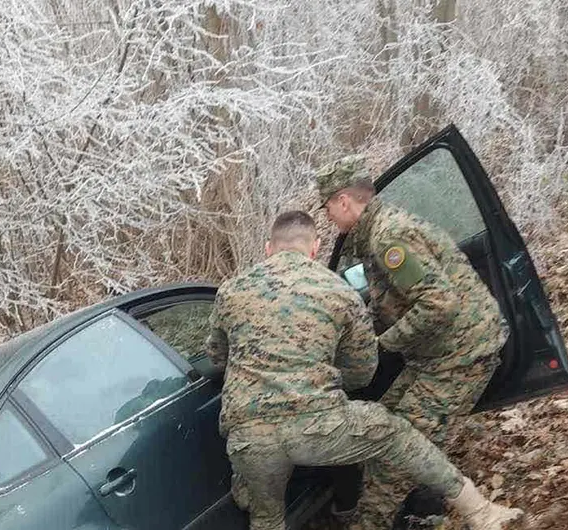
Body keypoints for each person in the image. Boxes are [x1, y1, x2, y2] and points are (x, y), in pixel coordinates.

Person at [205, 210, 521, 530]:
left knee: (267, 520)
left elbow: (218, 356)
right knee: (397, 433)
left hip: (248, 437)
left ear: (268, 247)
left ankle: (296, 497)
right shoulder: (339, 291)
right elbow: (362, 372)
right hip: (318, 428)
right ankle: (481, 513)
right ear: (314, 249)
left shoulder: (230, 290)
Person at [314, 155, 511, 528]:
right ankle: (415, 509)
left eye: (327, 208)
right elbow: (391, 299)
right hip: (437, 355)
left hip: (461, 352)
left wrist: (383, 345)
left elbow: (438, 302)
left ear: (343, 201)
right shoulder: (376, 233)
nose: (328, 218)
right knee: (381, 426)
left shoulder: (389, 236)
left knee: (394, 454)